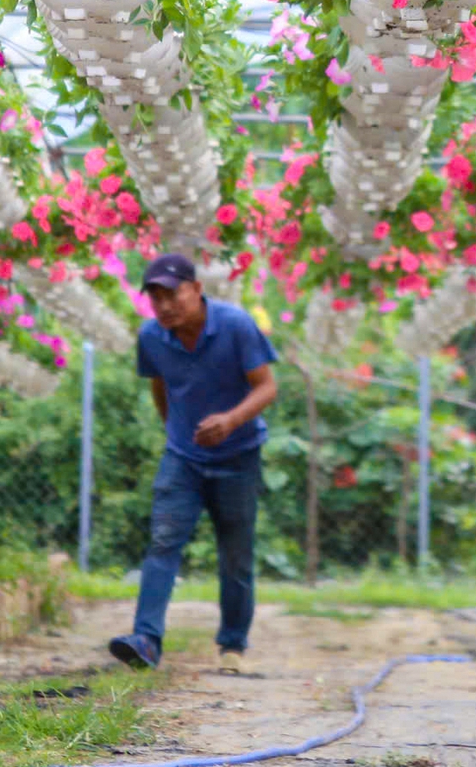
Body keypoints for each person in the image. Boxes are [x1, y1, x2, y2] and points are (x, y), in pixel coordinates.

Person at [109, 254, 278, 675]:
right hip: (183, 459)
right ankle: (146, 641)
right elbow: (160, 387)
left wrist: (230, 420)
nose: (164, 306)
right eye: (155, 298)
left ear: (197, 289)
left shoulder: (236, 325)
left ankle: (233, 644)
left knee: (236, 555)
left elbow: (267, 386)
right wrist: (176, 434)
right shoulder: (151, 337)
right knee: (164, 542)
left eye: (173, 294)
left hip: (239, 455)